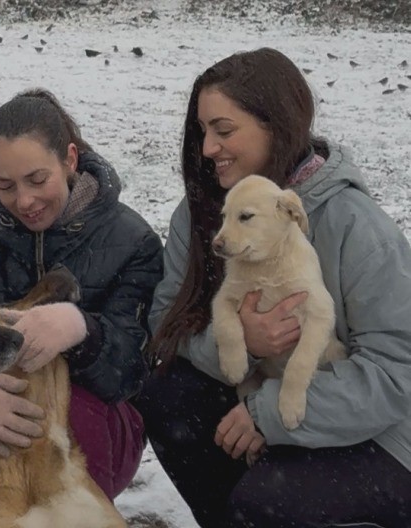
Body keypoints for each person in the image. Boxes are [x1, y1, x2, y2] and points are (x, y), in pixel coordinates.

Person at [134, 47, 411, 528]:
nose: (206, 149)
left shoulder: (357, 227)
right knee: (168, 397)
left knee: (268, 502)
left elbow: (397, 374)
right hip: (261, 384)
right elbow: (166, 321)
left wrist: (269, 414)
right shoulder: (203, 213)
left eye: (224, 131)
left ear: (278, 126)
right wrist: (240, 339)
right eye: (203, 131)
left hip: (384, 437)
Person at [0, 88, 163, 518]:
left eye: (37, 180)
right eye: (5, 185)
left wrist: (82, 331)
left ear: (69, 160)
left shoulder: (131, 240)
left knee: (80, 422)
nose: (24, 201)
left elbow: (134, 370)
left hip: (90, 414)